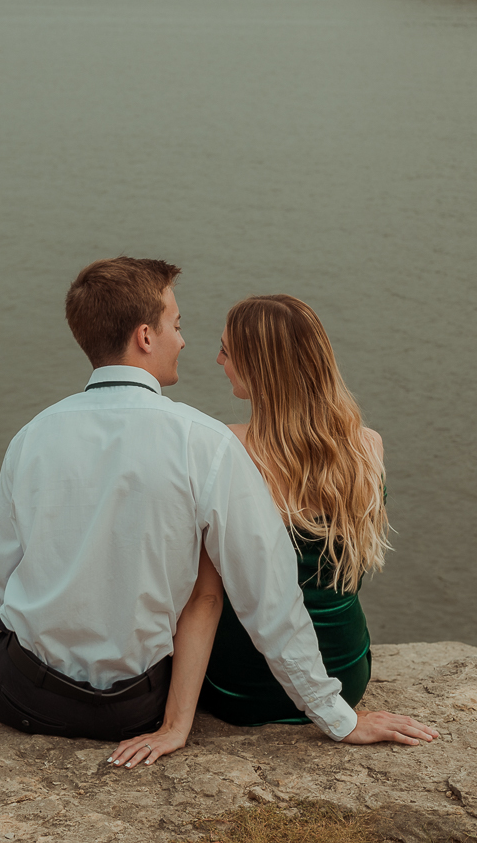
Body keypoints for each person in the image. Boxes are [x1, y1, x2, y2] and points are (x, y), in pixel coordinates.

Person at [0, 257, 437, 752]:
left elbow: (0, 586)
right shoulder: (205, 442)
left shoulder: (31, 437)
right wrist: (336, 716)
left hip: (27, 693)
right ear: (145, 337)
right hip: (135, 705)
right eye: (176, 326)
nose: (184, 342)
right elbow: (269, 598)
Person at [110, 293, 413, 769]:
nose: (218, 361)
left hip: (244, 686)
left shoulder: (227, 447)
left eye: (226, 351)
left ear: (260, 368)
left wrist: (175, 726)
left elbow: (205, 599)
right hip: (344, 675)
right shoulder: (366, 447)